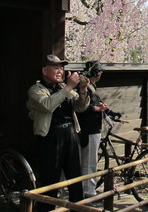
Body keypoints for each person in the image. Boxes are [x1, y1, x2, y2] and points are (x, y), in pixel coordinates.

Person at [27, 54, 90, 211]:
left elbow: (80, 107)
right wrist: (69, 86)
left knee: (75, 177)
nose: (60, 71)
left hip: (70, 133)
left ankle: (78, 208)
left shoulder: (63, 87)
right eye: (56, 68)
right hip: (51, 136)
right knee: (50, 179)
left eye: (62, 68)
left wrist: (82, 90)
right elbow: (47, 105)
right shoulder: (36, 89)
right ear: (45, 70)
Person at [76, 60, 119, 199]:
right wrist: (97, 108)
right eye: (99, 71)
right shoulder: (83, 87)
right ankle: (88, 190)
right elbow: (80, 107)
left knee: (90, 160)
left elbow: (98, 103)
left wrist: (110, 112)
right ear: (96, 73)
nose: (100, 74)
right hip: (88, 127)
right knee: (89, 161)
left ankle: (87, 188)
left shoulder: (92, 87)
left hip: (94, 126)